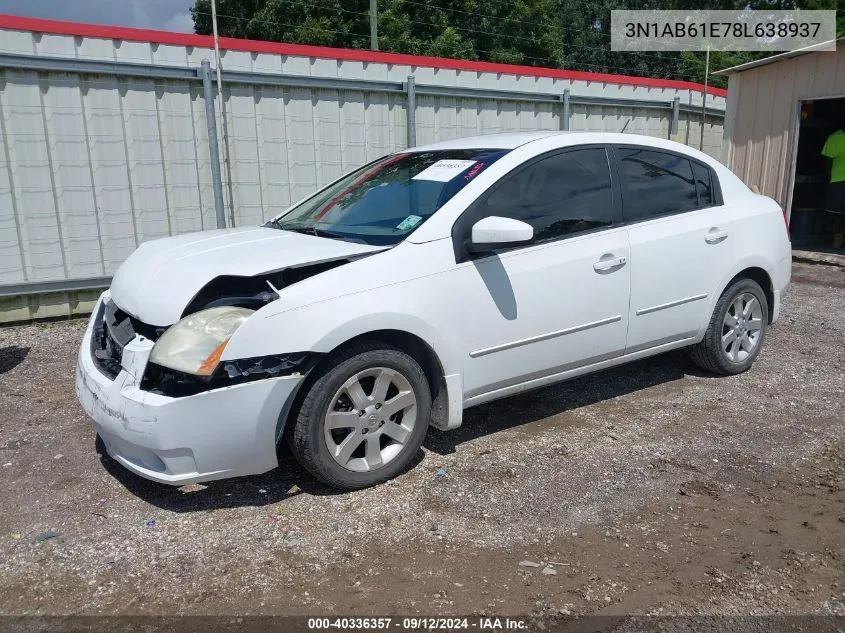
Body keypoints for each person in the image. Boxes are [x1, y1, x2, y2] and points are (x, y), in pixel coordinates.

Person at [822, 127, 845, 249]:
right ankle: (838, 236)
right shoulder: (835, 138)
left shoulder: (834, 138)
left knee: (835, 213)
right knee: (835, 213)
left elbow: (827, 162)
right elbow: (827, 161)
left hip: (837, 181)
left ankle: (838, 237)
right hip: (837, 181)